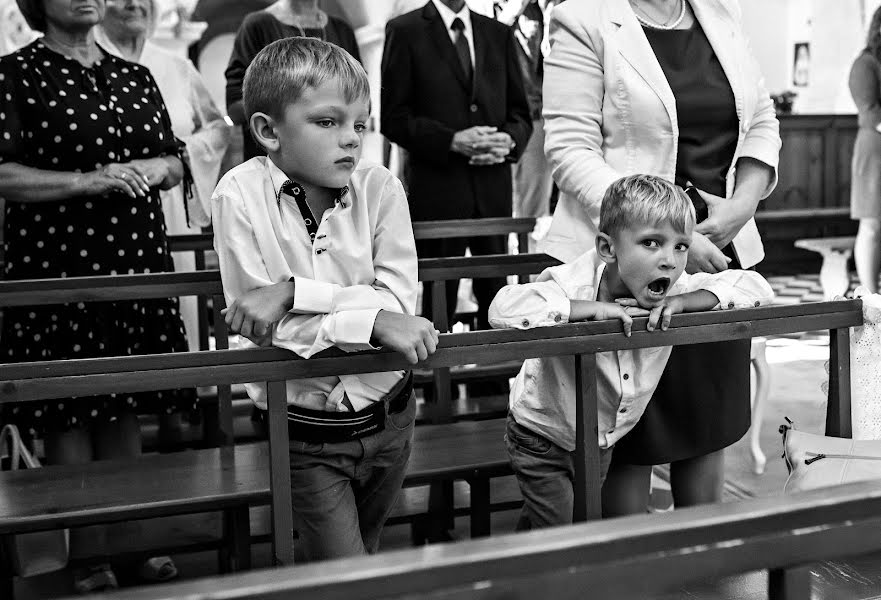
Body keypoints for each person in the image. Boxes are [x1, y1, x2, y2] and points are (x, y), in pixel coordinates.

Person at [540, 0, 781, 516]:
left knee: (706, 425)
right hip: (631, 265)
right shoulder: (585, 18)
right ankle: (637, 576)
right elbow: (569, 150)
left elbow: (761, 119)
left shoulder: (720, 14)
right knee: (632, 438)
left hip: (719, 260)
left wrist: (742, 205)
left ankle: (705, 574)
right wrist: (671, 233)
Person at [212, 37, 439, 561]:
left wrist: (294, 291)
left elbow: (398, 303)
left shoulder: (380, 187)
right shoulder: (238, 196)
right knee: (344, 571)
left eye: (360, 125)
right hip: (302, 431)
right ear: (269, 130)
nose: (351, 141)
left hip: (390, 417)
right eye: (327, 122)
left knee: (370, 549)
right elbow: (262, 323)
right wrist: (370, 319)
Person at [0, 0, 196, 590]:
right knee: (72, 412)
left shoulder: (134, 75)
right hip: (59, 267)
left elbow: (175, 157)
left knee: (128, 406)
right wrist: (89, 179)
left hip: (133, 261)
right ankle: (87, 555)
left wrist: (155, 169)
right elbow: (2, 171)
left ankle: (132, 543)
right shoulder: (14, 75)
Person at [489, 175, 774, 530]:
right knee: (560, 533)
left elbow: (756, 288)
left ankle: (533, 569)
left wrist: (685, 302)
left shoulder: (677, 288)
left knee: (577, 522)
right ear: (608, 249)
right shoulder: (572, 282)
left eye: (681, 246)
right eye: (651, 243)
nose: (669, 261)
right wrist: (588, 310)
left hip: (600, 441)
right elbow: (503, 309)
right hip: (542, 435)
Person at [380, 0, 532, 333]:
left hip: (492, 191)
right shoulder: (405, 31)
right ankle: (436, 383)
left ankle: (496, 381)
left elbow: (521, 115)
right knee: (438, 303)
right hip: (438, 193)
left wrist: (508, 141)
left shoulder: (499, 33)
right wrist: (451, 140)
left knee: (499, 296)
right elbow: (394, 119)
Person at [97, 0, 231, 351]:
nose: (133, 4)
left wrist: (179, 159)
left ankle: (183, 393)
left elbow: (217, 128)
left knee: (177, 310)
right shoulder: (83, 63)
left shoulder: (175, 66)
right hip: (102, 214)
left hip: (171, 211)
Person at [224, 0, 360, 162]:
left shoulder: (342, 30)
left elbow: (361, 98)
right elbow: (235, 107)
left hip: (336, 157)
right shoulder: (258, 25)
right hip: (278, 162)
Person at [849, 6, 881, 294]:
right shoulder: (866, 64)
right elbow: (870, 112)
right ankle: (872, 297)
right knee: (871, 223)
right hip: (875, 151)